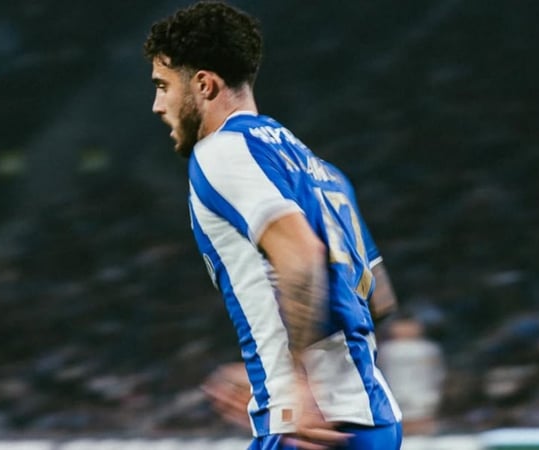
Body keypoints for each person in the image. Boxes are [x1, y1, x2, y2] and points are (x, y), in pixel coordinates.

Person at [144, 2, 403, 449]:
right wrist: (280, 362)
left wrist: (298, 380)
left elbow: (301, 256)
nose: (157, 105)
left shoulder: (223, 152)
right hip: (371, 420)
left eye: (163, 86)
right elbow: (378, 295)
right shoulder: (318, 168)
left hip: (314, 430)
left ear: (204, 84)